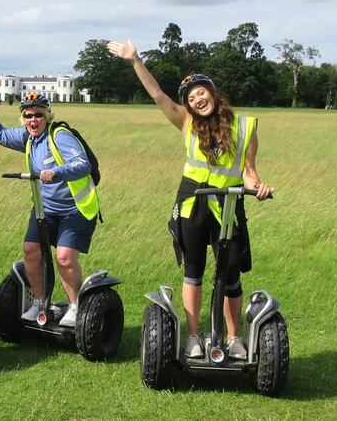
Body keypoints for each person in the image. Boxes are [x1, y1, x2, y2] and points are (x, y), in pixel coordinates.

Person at [107, 39, 274, 359]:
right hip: (192, 203)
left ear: (213, 94)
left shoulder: (244, 126)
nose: (198, 99)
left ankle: (234, 339)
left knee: (231, 276)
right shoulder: (186, 123)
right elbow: (158, 95)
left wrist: (259, 187)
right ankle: (193, 337)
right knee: (193, 271)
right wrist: (135, 61)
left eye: (202, 93)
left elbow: (250, 171)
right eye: (192, 98)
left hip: (229, 205)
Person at [0, 80, 100, 327]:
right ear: (23, 119)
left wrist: (57, 171)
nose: (33, 120)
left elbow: (83, 164)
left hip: (75, 209)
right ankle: (41, 303)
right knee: (31, 250)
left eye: (38, 115)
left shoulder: (60, 135)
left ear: (47, 116)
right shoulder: (27, 138)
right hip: (45, 209)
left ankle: (76, 306)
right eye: (28, 116)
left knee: (64, 257)